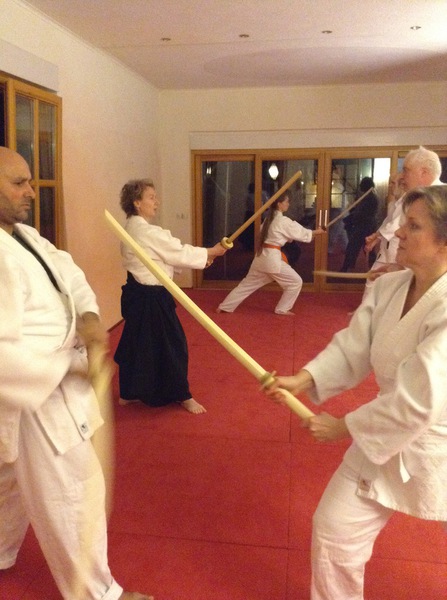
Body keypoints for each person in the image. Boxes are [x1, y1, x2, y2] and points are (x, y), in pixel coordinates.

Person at [266, 185, 447, 599]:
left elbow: (420, 401)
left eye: (413, 226)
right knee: (335, 529)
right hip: (384, 429)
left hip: (437, 438)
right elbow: (354, 347)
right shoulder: (390, 287)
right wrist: (304, 379)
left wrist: (343, 426)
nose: (398, 232)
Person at [0, 147, 153, 600]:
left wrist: (87, 316)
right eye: (18, 183)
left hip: (51, 379)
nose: (31, 191)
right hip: (38, 391)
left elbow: (69, 273)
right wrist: (66, 371)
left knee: (10, 483)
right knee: (73, 491)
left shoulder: (25, 235)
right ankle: (99, 594)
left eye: (30, 180)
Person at [114, 179, 226, 414]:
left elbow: (160, 258)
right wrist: (211, 251)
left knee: (136, 342)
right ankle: (182, 395)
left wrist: (205, 258)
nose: (157, 202)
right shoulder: (145, 231)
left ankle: (128, 392)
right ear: (136, 203)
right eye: (151, 197)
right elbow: (176, 252)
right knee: (173, 344)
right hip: (150, 297)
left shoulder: (130, 228)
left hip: (138, 292)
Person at [216, 192, 324, 315]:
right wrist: (316, 232)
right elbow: (300, 233)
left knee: (246, 285)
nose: (288, 204)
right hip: (272, 260)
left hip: (261, 257)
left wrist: (312, 233)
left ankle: (225, 306)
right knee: (295, 282)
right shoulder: (282, 221)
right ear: (279, 204)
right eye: (286, 201)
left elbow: (290, 235)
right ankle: (282, 308)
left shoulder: (268, 220)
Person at [364, 146, 444, 285]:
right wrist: (378, 236)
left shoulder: (443, 199)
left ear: (423, 172)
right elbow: (393, 221)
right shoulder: (411, 196)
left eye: (406, 170)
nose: (401, 176)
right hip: (405, 265)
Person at [340, 177, 379, 272]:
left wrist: (351, 218)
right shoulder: (367, 196)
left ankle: (375, 269)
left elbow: (362, 213)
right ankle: (347, 267)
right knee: (354, 248)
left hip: (365, 227)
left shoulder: (371, 198)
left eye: (362, 184)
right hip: (363, 226)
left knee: (356, 248)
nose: (360, 186)